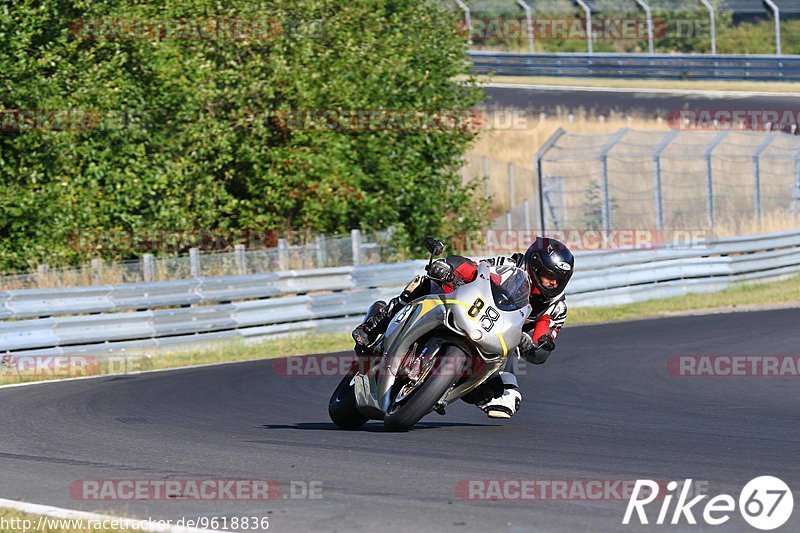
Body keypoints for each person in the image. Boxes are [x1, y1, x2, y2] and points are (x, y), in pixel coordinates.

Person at [351, 237, 574, 418]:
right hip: (470, 309)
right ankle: (375, 325)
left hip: (496, 342)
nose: (553, 284)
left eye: (559, 280)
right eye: (548, 277)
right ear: (534, 266)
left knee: (502, 392)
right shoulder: (508, 266)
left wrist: (533, 345)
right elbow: (476, 270)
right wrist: (449, 268)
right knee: (426, 283)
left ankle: (446, 389)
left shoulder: (555, 308)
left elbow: (544, 342)